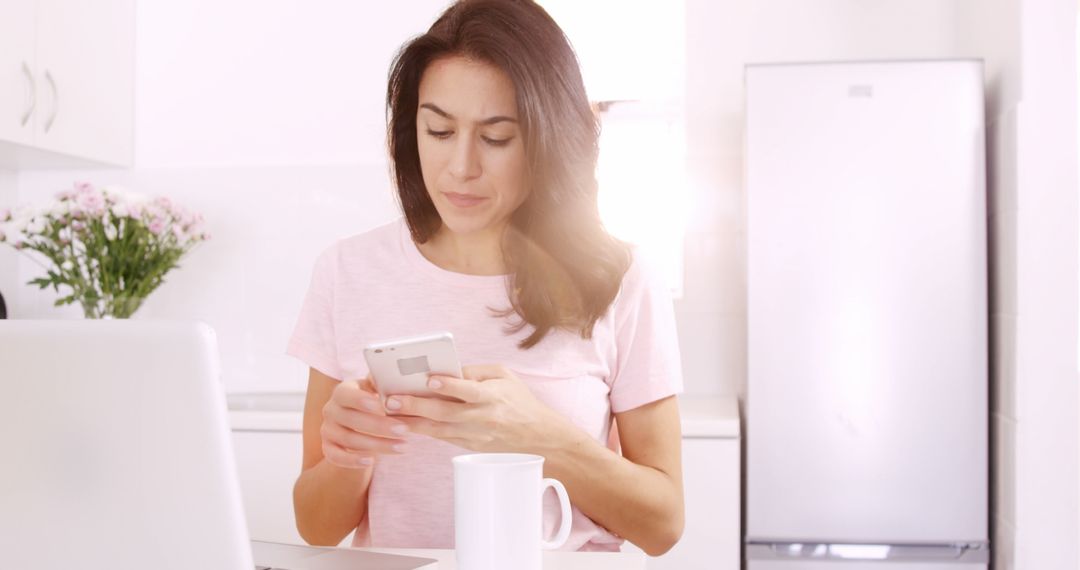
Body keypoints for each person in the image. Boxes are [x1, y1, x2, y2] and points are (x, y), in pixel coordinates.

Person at [288, 0, 684, 555]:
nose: (462, 167)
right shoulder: (347, 271)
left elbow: (662, 524)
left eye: (496, 137)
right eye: (439, 130)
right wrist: (351, 455)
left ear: (548, 139)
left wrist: (540, 439)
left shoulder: (619, 278)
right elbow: (316, 526)